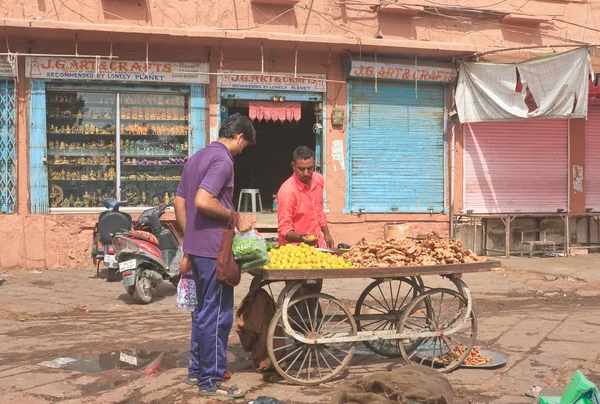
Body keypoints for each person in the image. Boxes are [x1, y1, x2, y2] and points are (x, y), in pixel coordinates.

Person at [173, 113, 256, 399]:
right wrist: (235, 216)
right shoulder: (223, 160)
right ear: (239, 137)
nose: (241, 152)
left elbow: (178, 200)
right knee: (218, 315)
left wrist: (188, 239)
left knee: (201, 313)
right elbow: (202, 200)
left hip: (197, 247)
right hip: (212, 250)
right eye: (244, 147)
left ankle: (197, 371)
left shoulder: (197, 157)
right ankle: (211, 380)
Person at [277, 146, 334, 249]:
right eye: (302, 169)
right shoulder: (287, 191)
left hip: (318, 246)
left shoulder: (318, 180)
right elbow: (284, 228)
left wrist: (326, 234)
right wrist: (300, 238)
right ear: (293, 166)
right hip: (295, 251)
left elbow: (319, 211)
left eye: (310, 168)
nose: (306, 173)